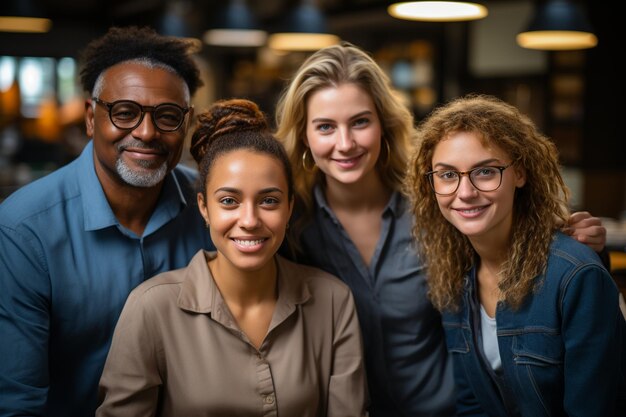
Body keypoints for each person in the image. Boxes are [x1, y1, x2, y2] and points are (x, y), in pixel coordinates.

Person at [274, 42, 610, 417]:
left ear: (384, 125)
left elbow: (515, 240)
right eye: (324, 127)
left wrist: (575, 244)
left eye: (360, 122)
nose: (345, 143)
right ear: (304, 136)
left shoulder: (436, 206)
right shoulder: (288, 227)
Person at [96, 98, 368, 416]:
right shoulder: (152, 308)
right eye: (229, 200)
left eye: (269, 201)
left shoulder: (334, 301)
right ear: (203, 207)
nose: (250, 220)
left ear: (290, 208)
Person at [0, 26, 214, 416]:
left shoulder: (215, 208)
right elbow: (17, 401)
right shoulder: (24, 229)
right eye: (125, 113)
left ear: (186, 123)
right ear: (90, 117)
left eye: (167, 117)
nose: (146, 133)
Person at [406, 94, 625, 416]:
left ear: (519, 174)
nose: (465, 193)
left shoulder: (576, 275)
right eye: (448, 175)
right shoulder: (452, 275)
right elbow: (471, 404)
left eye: (485, 172)